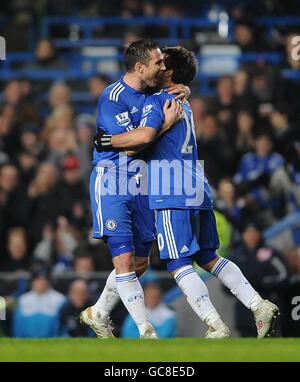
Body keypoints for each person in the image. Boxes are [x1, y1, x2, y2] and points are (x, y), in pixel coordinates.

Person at [95, 46, 280, 338]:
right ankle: (258, 305)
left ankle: (215, 325)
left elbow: (136, 143)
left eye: (161, 63)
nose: (157, 66)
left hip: (170, 187)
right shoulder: (184, 99)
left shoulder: (157, 103)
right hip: (197, 183)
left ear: (167, 72)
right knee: (209, 256)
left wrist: (105, 142)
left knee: (178, 262)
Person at [80, 39, 184, 339]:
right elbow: (132, 142)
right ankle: (146, 330)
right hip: (112, 179)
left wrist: (184, 91)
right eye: (158, 63)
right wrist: (155, 129)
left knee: (140, 262)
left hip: (141, 181)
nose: (163, 68)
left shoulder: (153, 94)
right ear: (140, 67)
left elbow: (143, 136)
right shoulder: (113, 96)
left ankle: (98, 312)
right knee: (123, 259)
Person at [13, 268, 66, 338]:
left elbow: (62, 322)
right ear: (32, 282)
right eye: (38, 280)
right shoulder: (23, 299)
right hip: (28, 339)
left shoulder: (60, 299)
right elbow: (18, 322)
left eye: (44, 280)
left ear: (48, 282)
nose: (41, 283)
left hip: (52, 338)